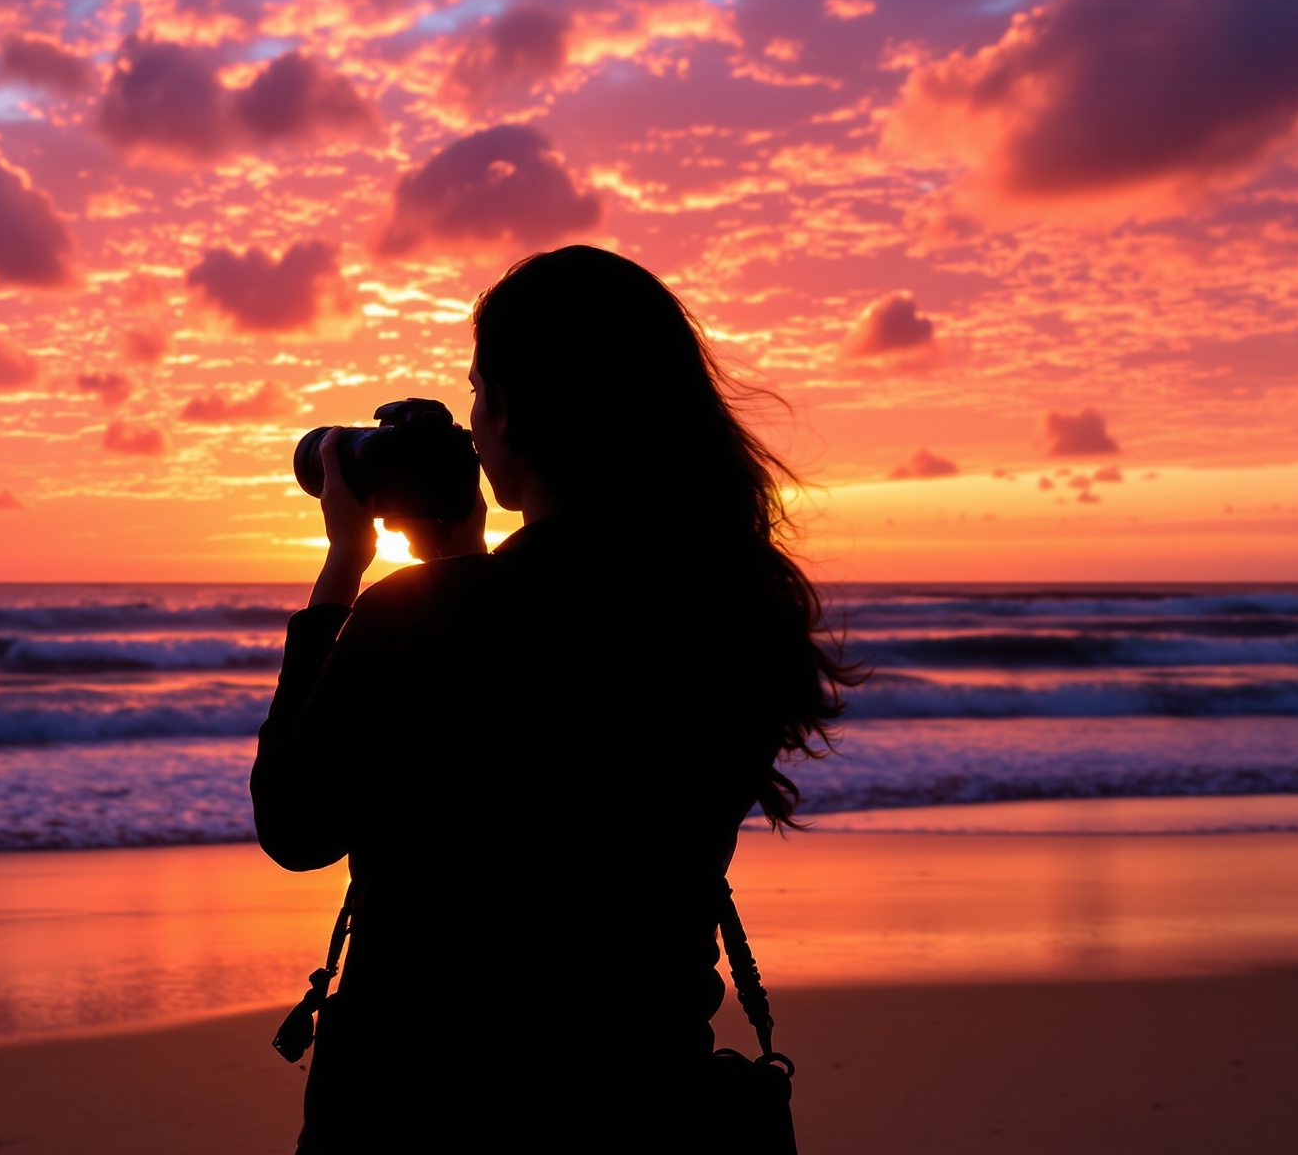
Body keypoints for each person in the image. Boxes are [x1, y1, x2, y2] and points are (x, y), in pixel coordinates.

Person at [251, 244, 857, 1154]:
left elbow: (296, 826)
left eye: (478, 393)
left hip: (417, 1109)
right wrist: (457, 569)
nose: (474, 423)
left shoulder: (420, 618)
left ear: (518, 408)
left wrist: (344, 574)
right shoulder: (725, 617)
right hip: (642, 1101)